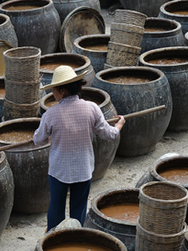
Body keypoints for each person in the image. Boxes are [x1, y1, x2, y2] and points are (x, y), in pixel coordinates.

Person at [33, 66, 125, 231]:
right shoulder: (92, 108)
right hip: (83, 170)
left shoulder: (50, 114)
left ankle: (52, 241)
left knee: (56, 209)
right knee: (78, 209)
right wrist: (119, 125)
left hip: (58, 172)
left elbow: (38, 140)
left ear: (61, 91)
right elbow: (109, 135)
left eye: (53, 89)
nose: (52, 93)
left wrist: (48, 133)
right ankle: (76, 237)